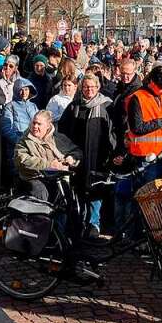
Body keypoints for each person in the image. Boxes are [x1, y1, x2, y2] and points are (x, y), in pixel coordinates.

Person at [59, 74, 115, 236]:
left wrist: (110, 155)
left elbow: (112, 133)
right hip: (77, 157)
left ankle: (94, 224)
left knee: (96, 190)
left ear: (98, 88)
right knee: (79, 190)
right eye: (86, 87)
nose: (89, 90)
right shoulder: (74, 106)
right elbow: (63, 131)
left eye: (92, 87)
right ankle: (81, 223)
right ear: (81, 88)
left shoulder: (106, 106)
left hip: (98, 156)